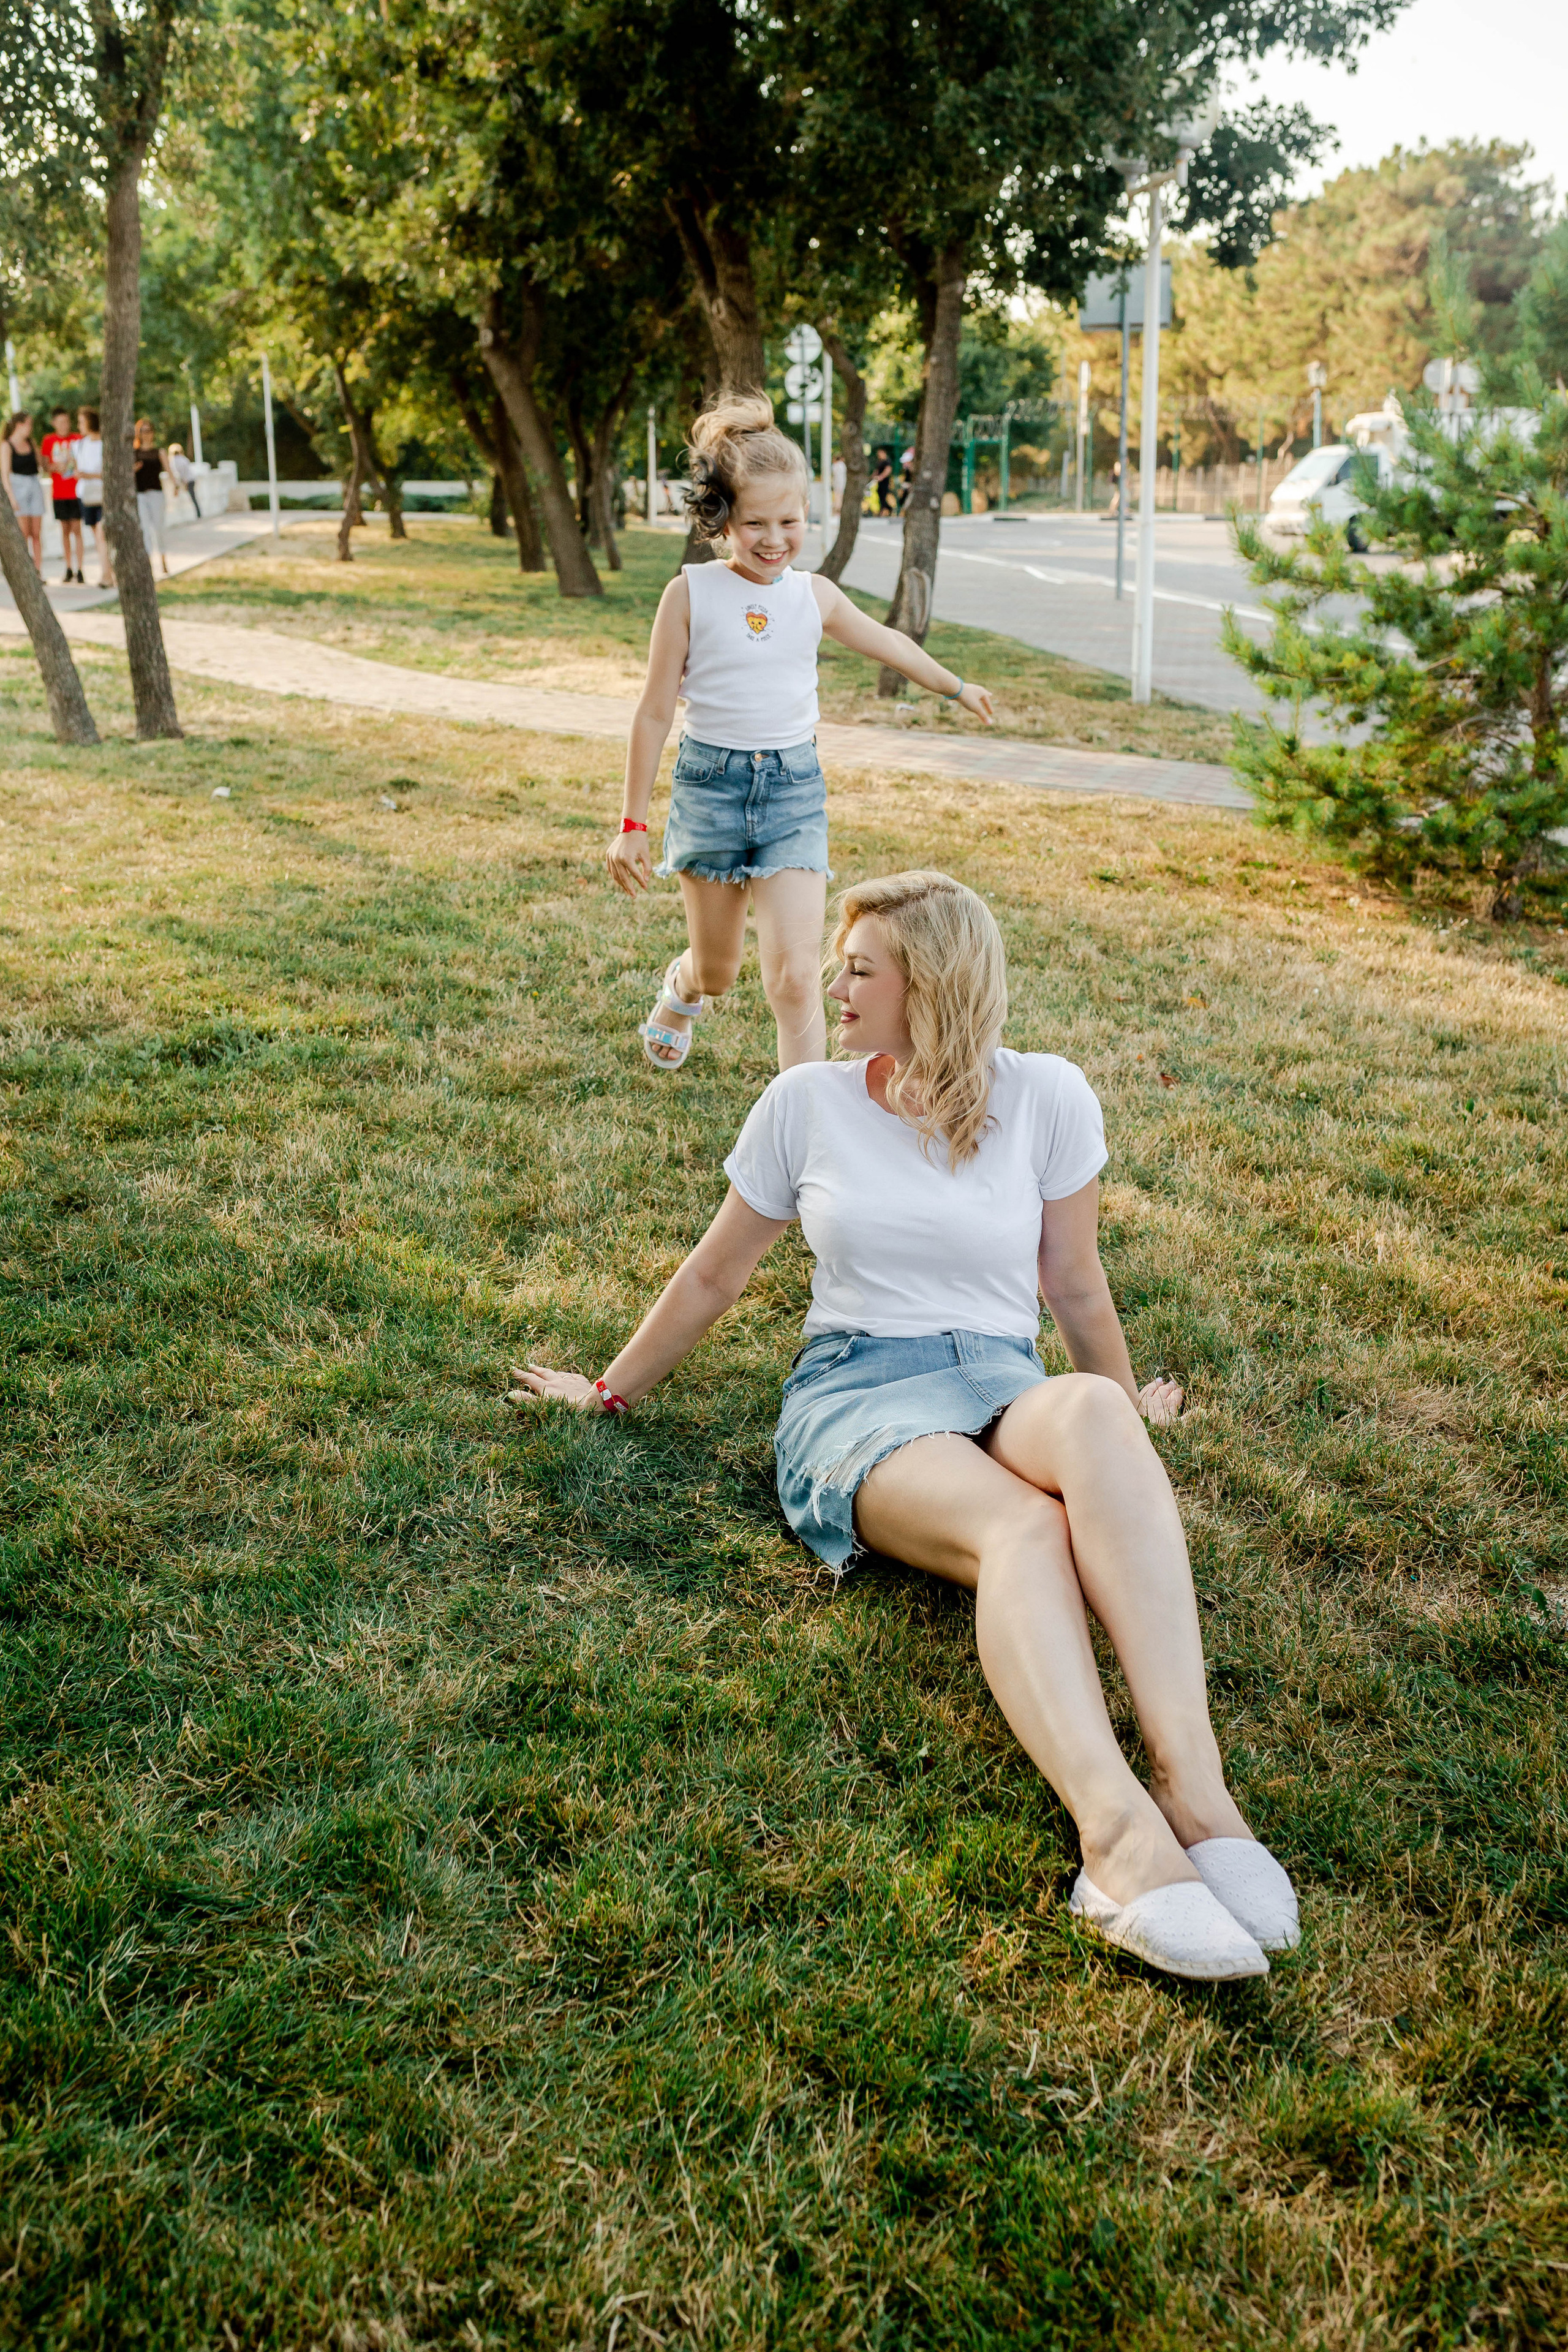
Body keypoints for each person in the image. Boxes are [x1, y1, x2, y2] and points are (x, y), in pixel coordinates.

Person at [512, 871, 1300, 1984]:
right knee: (1024, 1532)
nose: (833, 982)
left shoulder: (1048, 1096)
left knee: (1095, 1415)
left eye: (861, 968)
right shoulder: (806, 1103)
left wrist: (1122, 1406)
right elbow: (716, 1273)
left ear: (928, 983)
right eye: (841, 964)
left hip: (998, 1373)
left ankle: (1196, 1792)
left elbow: (1073, 1283)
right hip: (859, 1391)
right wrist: (608, 1391)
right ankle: (1117, 1841)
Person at [609, 394, 993, 1076]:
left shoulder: (813, 595)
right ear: (721, 518)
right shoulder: (689, 593)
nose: (773, 539)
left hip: (791, 792)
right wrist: (632, 823)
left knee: (792, 982)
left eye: (789, 520)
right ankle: (683, 986)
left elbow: (889, 644)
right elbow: (652, 714)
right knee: (720, 971)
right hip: (710, 790)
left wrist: (955, 687)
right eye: (754, 521)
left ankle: (806, 1129)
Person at [40, 408, 83, 584]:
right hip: (59, 493)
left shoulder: (77, 439)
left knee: (77, 530)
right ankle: (68, 567)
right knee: (64, 531)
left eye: (66, 421)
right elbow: (44, 466)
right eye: (60, 422)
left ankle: (80, 569)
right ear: (54, 423)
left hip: (76, 492)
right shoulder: (49, 441)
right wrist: (55, 467)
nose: (64, 425)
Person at [1, 413, 46, 574]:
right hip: (18, 488)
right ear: (19, 425)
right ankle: (27, 570)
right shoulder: (7, 445)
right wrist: (11, 497)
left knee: (36, 533)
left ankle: (38, 569)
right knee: (24, 533)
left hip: (34, 485)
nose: (31, 428)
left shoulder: (31, 443)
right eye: (28, 424)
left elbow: (42, 464)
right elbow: (5, 474)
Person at [74, 407, 113, 588]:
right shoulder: (80, 445)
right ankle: (108, 573)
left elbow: (110, 473)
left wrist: (89, 475)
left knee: (101, 534)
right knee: (98, 537)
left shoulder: (106, 444)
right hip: (86, 496)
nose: (79, 426)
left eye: (82, 422)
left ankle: (107, 576)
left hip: (104, 495)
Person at [133, 418, 169, 574]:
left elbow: (169, 471)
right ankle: (148, 564)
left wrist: (177, 486)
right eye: (143, 431)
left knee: (159, 528)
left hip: (156, 494)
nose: (146, 434)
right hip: (140, 495)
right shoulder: (134, 453)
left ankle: (163, 560)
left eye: (149, 431)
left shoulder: (159, 452)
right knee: (145, 529)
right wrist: (134, 469)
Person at [869, 447, 894, 516]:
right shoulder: (880, 461)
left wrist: (881, 477)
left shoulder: (887, 461)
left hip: (884, 481)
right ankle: (885, 509)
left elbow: (888, 470)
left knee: (883, 495)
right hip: (879, 482)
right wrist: (872, 477)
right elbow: (877, 471)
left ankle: (886, 509)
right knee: (880, 495)